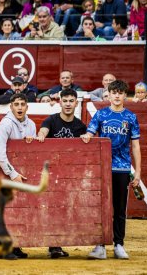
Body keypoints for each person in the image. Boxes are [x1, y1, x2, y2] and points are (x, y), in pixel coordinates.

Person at [81, 80, 141, 260]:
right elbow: (90, 133)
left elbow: (136, 147)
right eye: (113, 92)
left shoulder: (131, 117)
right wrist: (87, 136)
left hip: (122, 168)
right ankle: (100, 245)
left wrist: (137, 173)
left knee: (120, 208)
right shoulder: (100, 115)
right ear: (108, 94)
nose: (116, 96)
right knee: (101, 208)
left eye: (120, 93)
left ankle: (119, 244)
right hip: (103, 168)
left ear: (125, 95)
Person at [0, 93, 40, 260]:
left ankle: (16, 245)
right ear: (11, 107)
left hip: (20, 174)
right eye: (16, 104)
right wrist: (11, 173)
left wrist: (30, 140)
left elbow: (31, 151)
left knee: (17, 209)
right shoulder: (6, 124)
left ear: (27, 107)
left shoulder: (31, 124)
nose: (19, 107)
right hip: (7, 174)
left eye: (22, 104)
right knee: (5, 210)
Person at [38, 88, 86, 258]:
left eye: (70, 101)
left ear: (76, 103)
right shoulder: (51, 120)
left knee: (65, 208)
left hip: (69, 174)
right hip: (52, 173)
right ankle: (54, 245)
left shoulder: (80, 126)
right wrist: (41, 136)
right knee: (52, 208)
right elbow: (43, 131)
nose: (67, 104)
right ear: (60, 102)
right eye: (64, 101)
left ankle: (56, 244)